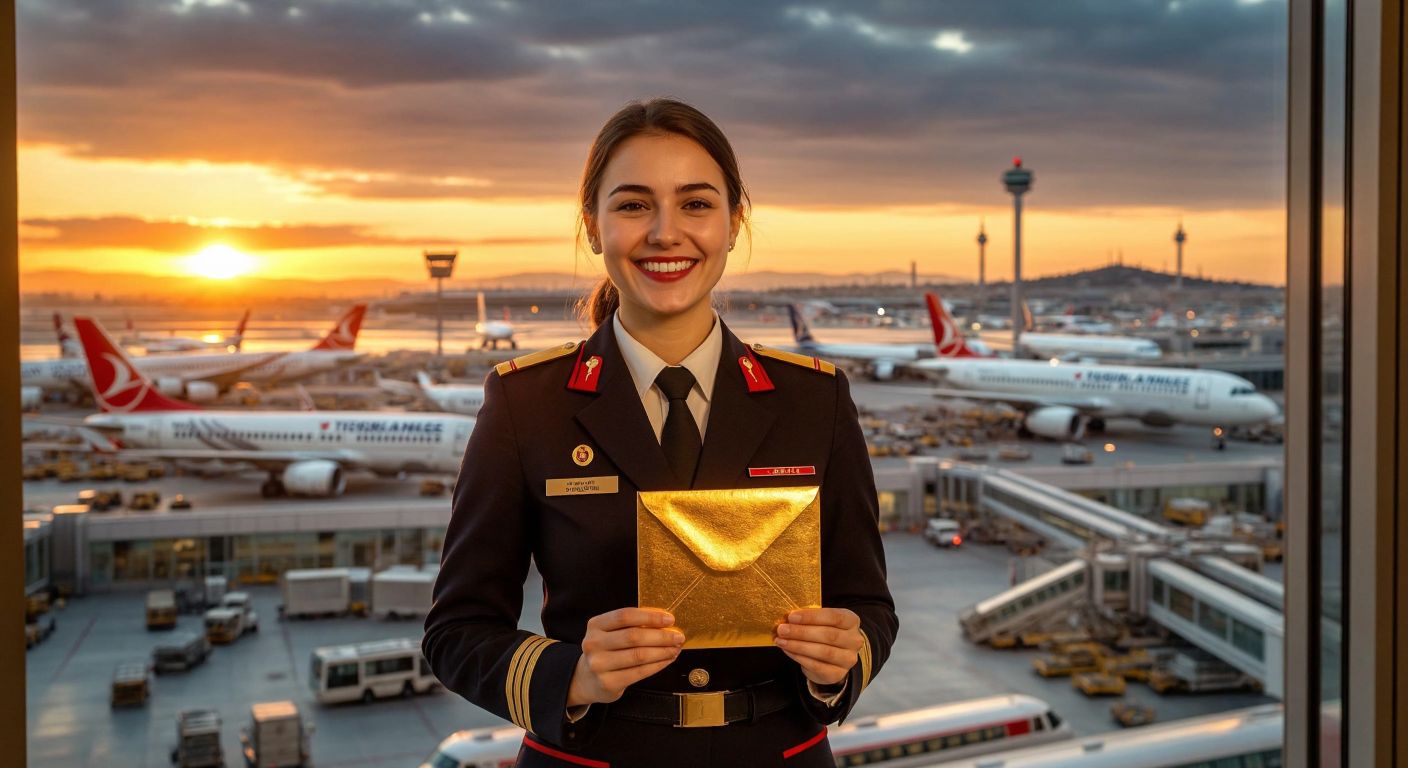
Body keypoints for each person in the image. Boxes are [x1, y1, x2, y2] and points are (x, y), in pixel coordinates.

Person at [424, 98, 898, 768]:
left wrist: (837, 664)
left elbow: (868, 604)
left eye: (697, 204)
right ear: (593, 225)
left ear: (735, 224)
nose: (666, 233)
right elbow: (456, 631)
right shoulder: (524, 404)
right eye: (634, 204)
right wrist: (573, 677)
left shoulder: (813, 399)